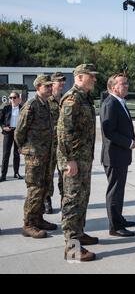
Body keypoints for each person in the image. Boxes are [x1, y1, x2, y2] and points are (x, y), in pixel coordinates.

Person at [58, 64, 97, 262]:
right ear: (80, 77)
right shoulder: (72, 100)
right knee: (72, 202)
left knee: (82, 198)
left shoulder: (84, 98)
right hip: (74, 161)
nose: (95, 79)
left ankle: (79, 234)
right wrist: (69, 159)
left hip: (84, 160)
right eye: (91, 76)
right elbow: (64, 133)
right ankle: (72, 248)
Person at [14, 75, 57, 238]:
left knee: (44, 188)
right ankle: (28, 224)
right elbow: (19, 131)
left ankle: (38, 219)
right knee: (34, 189)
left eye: (50, 86)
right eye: (47, 86)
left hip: (46, 155)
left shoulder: (46, 104)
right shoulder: (31, 105)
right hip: (35, 156)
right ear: (38, 87)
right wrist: (24, 148)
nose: (50, 88)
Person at [100, 73, 135, 237]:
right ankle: (114, 227)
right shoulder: (110, 104)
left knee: (119, 190)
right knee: (114, 191)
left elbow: (125, 126)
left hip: (121, 155)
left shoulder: (119, 102)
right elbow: (109, 131)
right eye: (123, 84)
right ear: (113, 87)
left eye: (127, 83)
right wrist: (129, 143)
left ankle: (119, 219)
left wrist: (133, 137)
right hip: (114, 156)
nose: (127, 86)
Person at [44, 72, 66, 214]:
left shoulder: (65, 100)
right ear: (52, 84)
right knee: (48, 174)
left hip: (63, 145)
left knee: (64, 174)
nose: (62, 85)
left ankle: (65, 200)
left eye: (63, 82)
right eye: (60, 82)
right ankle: (47, 200)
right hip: (49, 145)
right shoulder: (46, 100)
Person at [0, 91, 23, 182]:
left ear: (18, 99)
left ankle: (16, 173)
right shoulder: (6, 108)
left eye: (14, 97)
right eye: (10, 98)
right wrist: (3, 127)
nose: (12, 99)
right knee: (6, 154)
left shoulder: (22, 109)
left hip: (18, 132)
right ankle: (3, 175)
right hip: (8, 132)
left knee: (16, 154)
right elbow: (0, 121)